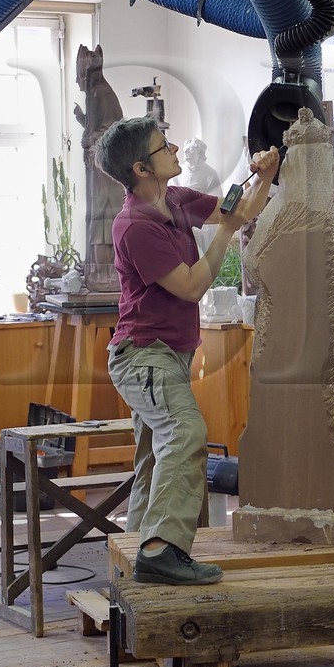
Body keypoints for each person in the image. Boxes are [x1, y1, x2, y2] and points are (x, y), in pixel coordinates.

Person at [95, 116, 279, 585]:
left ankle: (130, 570)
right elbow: (193, 286)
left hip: (164, 356)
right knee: (185, 433)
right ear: (141, 168)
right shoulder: (134, 225)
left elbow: (241, 209)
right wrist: (225, 234)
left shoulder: (174, 200)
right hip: (143, 357)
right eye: (164, 147)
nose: (175, 148)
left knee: (154, 463)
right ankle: (162, 550)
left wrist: (265, 174)